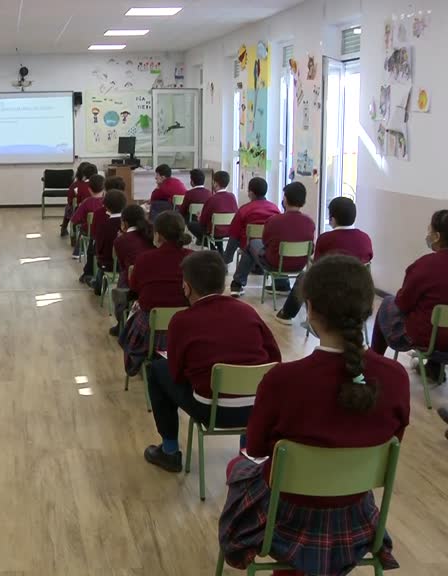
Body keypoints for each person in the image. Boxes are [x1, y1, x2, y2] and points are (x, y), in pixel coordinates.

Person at [220, 255, 408, 576]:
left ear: (309, 308)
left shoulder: (283, 380)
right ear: (368, 309)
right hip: (355, 514)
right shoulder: (396, 377)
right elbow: (393, 442)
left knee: (237, 467)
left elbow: (258, 448)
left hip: (287, 516)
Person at [143, 251, 281, 472]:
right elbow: (275, 357)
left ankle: (169, 451)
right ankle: (248, 453)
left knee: (157, 369)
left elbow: (176, 373)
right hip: (256, 409)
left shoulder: (181, 321)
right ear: (222, 282)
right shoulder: (247, 311)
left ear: (186, 287)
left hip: (211, 410)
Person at [372, 209, 448, 383]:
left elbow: (403, 303)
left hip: (426, 340)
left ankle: (374, 361)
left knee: (387, 303)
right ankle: (433, 368)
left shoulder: (425, 265)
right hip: (443, 341)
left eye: (429, 231)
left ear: (437, 236)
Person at [276, 197, 373, 324]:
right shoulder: (365, 238)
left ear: (332, 219)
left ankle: (287, 314)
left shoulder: (326, 238)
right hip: (357, 292)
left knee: (304, 276)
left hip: (330, 290)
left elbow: (318, 268)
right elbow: (368, 258)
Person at [122, 211, 194, 376]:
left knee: (132, 312)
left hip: (150, 330)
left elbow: (134, 289)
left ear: (158, 235)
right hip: (185, 328)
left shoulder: (144, 259)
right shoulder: (192, 257)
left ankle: (139, 362)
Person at [231, 181, 313, 296]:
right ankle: (282, 285)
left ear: (285, 199)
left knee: (252, 244)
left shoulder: (274, 220)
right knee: (277, 252)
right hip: (300, 264)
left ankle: (237, 284)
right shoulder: (309, 222)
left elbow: (266, 242)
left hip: (275, 263)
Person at [225, 177, 280, 288]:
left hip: (249, 245)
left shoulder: (244, 209)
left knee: (245, 241)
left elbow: (234, 234)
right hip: (269, 247)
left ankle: (234, 277)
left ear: (251, 193)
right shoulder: (275, 209)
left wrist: (227, 258)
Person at [110, 204, 156, 336]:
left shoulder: (120, 240)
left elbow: (123, 266)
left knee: (123, 279)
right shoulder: (151, 233)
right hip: (153, 278)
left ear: (124, 223)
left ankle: (121, 322)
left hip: (135, 280)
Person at [89, 178, 129, 288]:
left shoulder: (103, 225)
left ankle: (98, 285)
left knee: (99, 257)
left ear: (106, 206)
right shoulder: (129, 220)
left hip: (108, 264)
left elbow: (98, 245)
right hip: (127, 264)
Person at [191, 170, 238, 250]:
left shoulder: (212, 199)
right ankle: (220, 249)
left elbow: (203, 220)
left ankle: (213, 249)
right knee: (217, 225)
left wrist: (199, 218)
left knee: (192, 225)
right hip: (229, 229)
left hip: (214, 231)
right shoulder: (232, 197)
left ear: (216, 183)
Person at [71, 174, 106, 263]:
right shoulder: (107, 202)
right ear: (104, 189)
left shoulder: (86, 202)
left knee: (82, 228)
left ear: (89, 189)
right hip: (104, 231)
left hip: (89, 231)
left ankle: (77, 252)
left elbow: (74, 219)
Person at [64, 163, 97, 238]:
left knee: (68, 208)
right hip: (97, 221)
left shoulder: (76, 185)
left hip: (82, 217)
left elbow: (70, 201)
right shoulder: (100, 186)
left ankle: (66, 230)